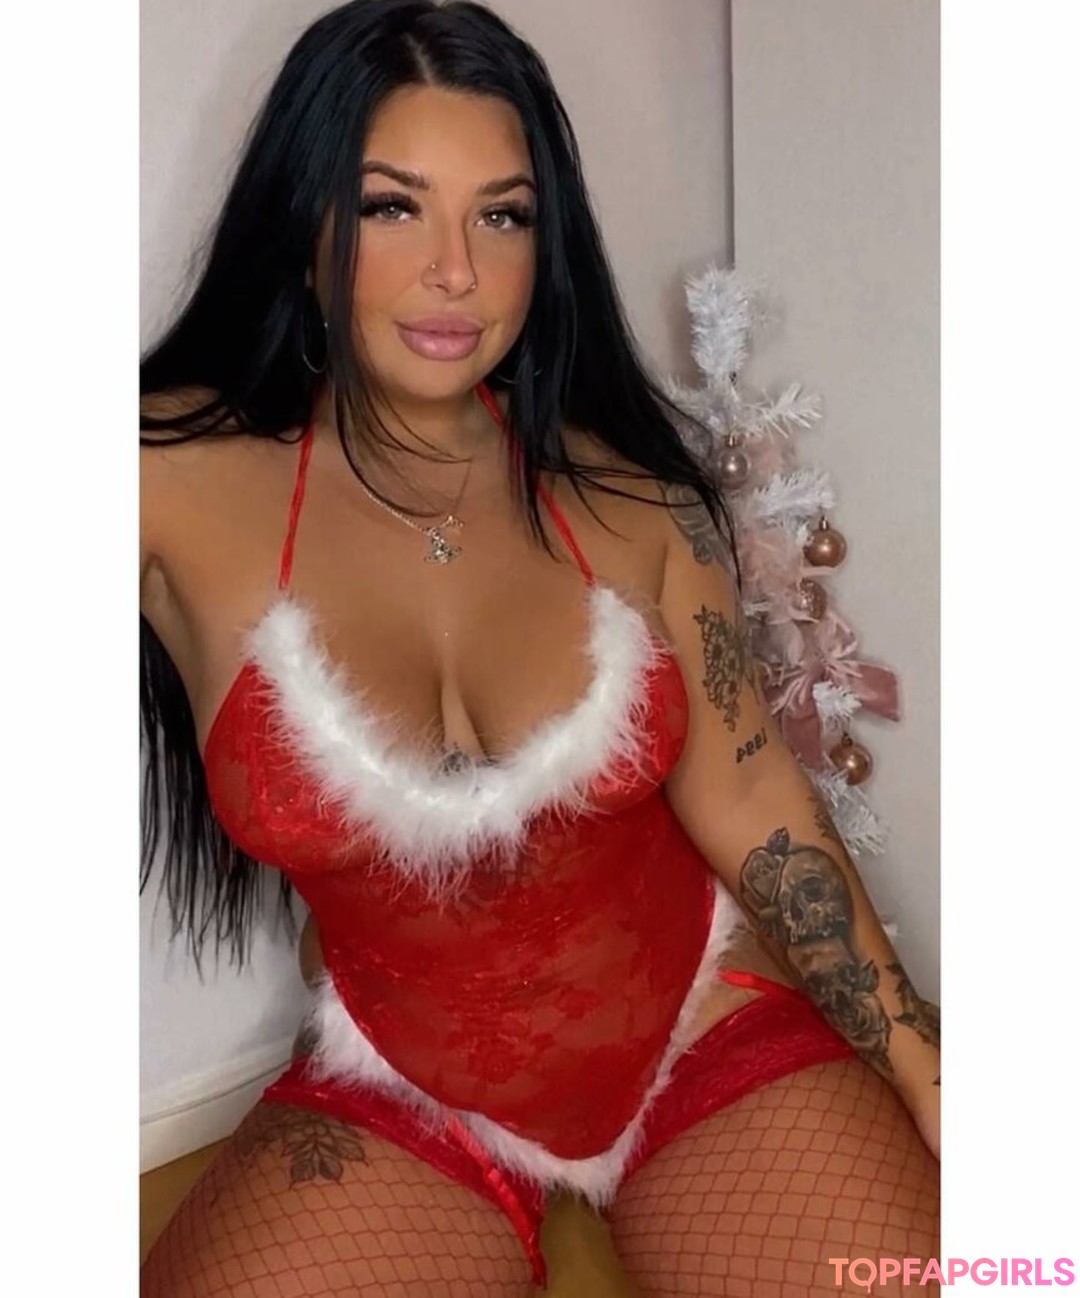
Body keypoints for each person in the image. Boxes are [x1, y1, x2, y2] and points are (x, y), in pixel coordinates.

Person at [139, 1, 940, 1294]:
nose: (456, 269)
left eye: (502, 215)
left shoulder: (636, 504)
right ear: (305, 224)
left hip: (697, 1022)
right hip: (396, 1081)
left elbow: (753, 798)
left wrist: (925, 1066)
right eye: (393, 206)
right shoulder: (166, 480)